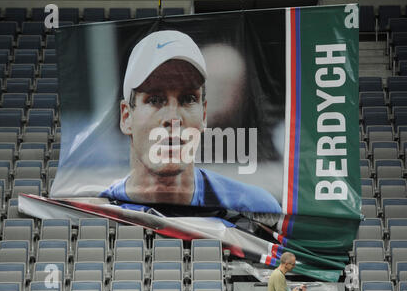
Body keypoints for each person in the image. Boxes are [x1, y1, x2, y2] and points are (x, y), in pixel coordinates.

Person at [100, 30, 281, 215]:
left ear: (203, 115)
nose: (173, 118)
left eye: (187, 99)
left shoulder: (254, 208)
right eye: (154, 99)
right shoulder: (94, 211)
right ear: (126, 117)